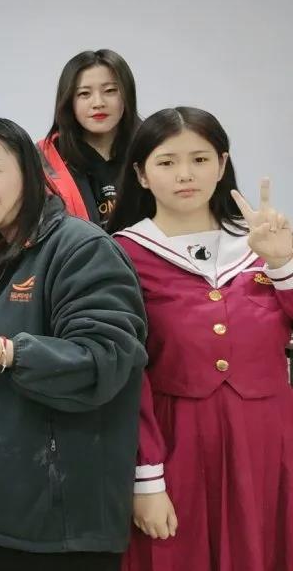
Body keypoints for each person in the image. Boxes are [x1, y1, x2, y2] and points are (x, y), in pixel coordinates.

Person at [0, 117, 148, 571]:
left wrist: (4, 351)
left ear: (28, 171)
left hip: (61, 527)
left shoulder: (81, 248)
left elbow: (104, 361)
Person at [107, 107, 293, 571]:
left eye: (200, 159)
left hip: (268, 441)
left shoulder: (264, 242)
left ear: (222, 164)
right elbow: (127, 374)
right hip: (175, 443)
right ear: (141, 175)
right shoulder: (120, 254)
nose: (185, 175)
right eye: (167, 162)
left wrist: (283, 266)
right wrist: (146, 479)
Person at [38, 49, 140, 227]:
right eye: (84, 93)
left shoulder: (152, 149)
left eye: (110, 91)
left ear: (127, 95)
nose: (98, 103)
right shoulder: (43, 162)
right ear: (68, 100)